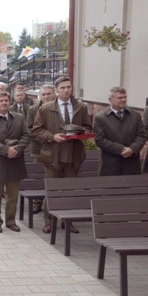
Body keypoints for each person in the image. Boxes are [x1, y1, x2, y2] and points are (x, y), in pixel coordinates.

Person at [32, 76, 92, 234]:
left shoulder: (81, 107)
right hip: (53, 155)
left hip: (74, 154)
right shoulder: (45, 108)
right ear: (56, 91)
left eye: (69, 87)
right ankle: (49, 221)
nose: (66, 90)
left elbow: (87, 126)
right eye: (63, 88)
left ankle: (68, 221)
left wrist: (83, 132)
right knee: (52, 189)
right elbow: (37, 130)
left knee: (70, 189)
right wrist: (52, 137)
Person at [0, 91, 31, 233]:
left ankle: (11, 221)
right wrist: (6, 150)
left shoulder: (19, 118)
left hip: (15, 162)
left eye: (6, 100)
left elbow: (26, 136)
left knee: (13, 196)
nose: (4, 103)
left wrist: (17, 149)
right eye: (1, 101)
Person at [93, 86, 146, 176]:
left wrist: (132, 149)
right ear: (110, 100)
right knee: (111, 190)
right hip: (110, 165)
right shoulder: (100, 118)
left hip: (131, 164)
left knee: (131, 189)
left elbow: (142, 135)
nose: (124, 100)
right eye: (120, 98)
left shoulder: (135, 116)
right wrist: (121, 149)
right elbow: (100, 140)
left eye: (125, 97)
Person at [26, 84, 56, 214]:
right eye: (43, 94)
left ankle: (53, 202)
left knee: (53, 177)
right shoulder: (33, 110)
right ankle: (37, 202)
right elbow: (29, 129)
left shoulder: (58, 108)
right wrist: (46, 138)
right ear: (39, 96)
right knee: (38, 175)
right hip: (38, 148)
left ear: (54, 94)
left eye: (49, 94)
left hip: (56, 149)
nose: (46, 96)